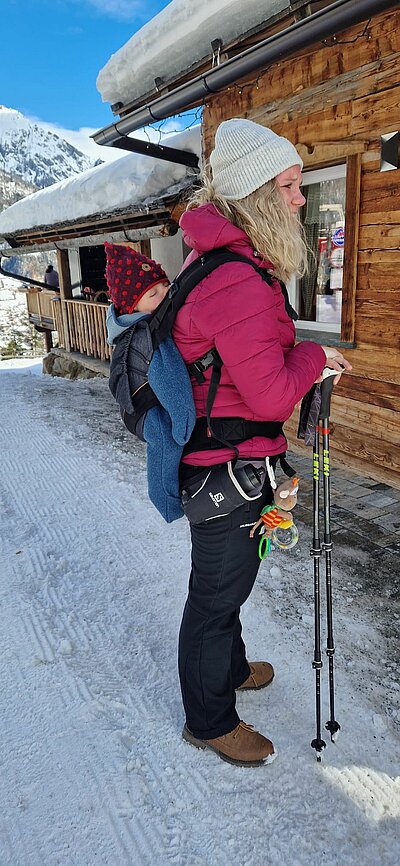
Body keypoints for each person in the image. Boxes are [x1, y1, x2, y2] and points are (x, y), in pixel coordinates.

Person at [172, 118, 352, 767]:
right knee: (217, 592)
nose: (302, 199)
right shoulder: (235, 280)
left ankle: (234, 665)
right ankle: (210, 718)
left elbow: (257, 371)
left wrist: (303, 357)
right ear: (256, 194)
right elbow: (275, 393)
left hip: (235, 455)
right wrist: (314, 353)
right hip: (224, 465)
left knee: (233, 580)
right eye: (291, 185)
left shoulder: (237, 266)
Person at [104, 242, 196, 522]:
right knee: (167, 441)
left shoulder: (128, 326)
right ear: (134, 306)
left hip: (134, 404)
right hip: (145, 410)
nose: (165, 294)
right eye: (153, 294)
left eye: (166, 286)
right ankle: (166, 503)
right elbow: (170, 381)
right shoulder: (149, 332)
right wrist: (184, 425)